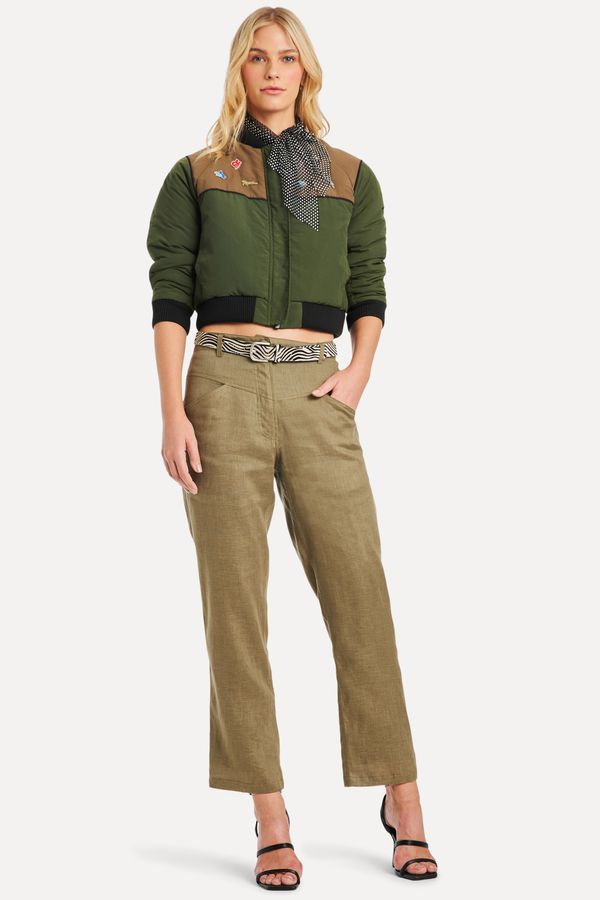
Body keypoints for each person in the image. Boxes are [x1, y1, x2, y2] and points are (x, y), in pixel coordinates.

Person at [146, 6, 438, 889]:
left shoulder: (347, 176)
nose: (273, 71)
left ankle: (404, 798)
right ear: (238, 71)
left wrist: (359, 374)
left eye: (287, 58)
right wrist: (173, 410)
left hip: (317, 390)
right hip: (222, 388)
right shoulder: (198, 174)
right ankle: (269, 815)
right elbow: (169, 294)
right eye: (257, 58)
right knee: (235, 607)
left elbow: (367, 287)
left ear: (306, 71)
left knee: (360, 591)